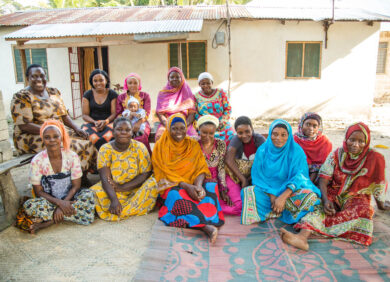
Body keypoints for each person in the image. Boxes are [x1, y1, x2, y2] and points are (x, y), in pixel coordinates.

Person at [282, 122, 390, 250]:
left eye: (361, 141)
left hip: (357, 197)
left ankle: (324, 227)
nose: (355, 144)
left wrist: (381, 205)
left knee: (364, 212)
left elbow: (379, 183)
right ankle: (302, 237)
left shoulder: (375, 158)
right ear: (346, 139)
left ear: (367, 142)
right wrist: (326, 199)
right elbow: (323, 178)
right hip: (334, 191)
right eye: (352, 140)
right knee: (318, 207)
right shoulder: (338, 154)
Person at [11, 64, 97, 177]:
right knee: (72, 146)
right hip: (32, 135)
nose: (39, 79)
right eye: (34, 76)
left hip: (58, 131)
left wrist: (76, 128)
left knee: (88, 139)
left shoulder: (53, 92)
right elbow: (25, 125)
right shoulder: (22, 97)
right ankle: (71, 178)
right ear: (28, 78)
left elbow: (64, 115)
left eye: (42, 76)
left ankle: (82, 175)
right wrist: (54, 132)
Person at [152, 113, 224, 243]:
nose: (179, 132)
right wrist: (186, 186)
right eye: (174, 128)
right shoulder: (160, 146)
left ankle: (205, 217)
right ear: (168, 129)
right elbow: (163, 173)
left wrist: (198, 186)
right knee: (177, 196)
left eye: (182, 128)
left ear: (186, 128)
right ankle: (205, 227)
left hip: (192, 182)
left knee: (211, 187)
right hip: (172, 184)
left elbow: (201, 168)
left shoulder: (192, 144)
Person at [15, 120, 95, 234]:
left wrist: (63, 204)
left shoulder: (72, 156)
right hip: (50, 201)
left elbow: (76, 186)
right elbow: (38, 191)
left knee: (89, 195)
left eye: (55, 136)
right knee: (30, 206)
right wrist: (59, 203)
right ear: (43, 139)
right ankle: (69, 214)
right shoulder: (37, 161)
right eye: (47, 137)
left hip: (70, 198)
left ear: (61, 138)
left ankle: (48, 222)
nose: (52, 140)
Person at [241, 119, 321, 227]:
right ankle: (278, 210)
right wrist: (272, 195)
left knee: (310, 197)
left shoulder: (296, 151)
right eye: (275, 134)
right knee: (247, 192)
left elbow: (300, 176)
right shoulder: (263, 150)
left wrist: (283, 196)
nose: (279, 138)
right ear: (270, 134)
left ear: (289, 136)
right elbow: (257, 176)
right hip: (267, 191)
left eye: (283, 135)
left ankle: (277, 211)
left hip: (290, 191)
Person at [90, 117, 158, 221]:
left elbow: (145, 174)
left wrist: (122, 187)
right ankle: (128, 208)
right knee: (93, 193)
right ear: (113, 132)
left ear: (132, 132)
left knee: (153, 184)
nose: (123, 132)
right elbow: (105, 178)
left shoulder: (140, 147)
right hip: (113, 190)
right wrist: (114, 199)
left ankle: (118, 211)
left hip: (136, 188)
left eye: (127, 130)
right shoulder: (105, 149)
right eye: (119, 129)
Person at [224, 116, 266, 214]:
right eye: (240, 133)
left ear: (252, 129)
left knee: (259, 198)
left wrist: (251, 178)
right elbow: (228, 160)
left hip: (255, 174)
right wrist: (243, 180)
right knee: (238, 204)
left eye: (247, 131)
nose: (244, 135)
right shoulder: (236, 140)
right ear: (236, 132)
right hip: (237, 175)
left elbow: (266, 160)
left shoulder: (259, 139)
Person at [197, 115, 238, 215]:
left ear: (215, 132)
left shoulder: (220, 144)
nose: (207, 136)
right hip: (200, 179)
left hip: (220, 177)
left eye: (211, 133)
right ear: (199, 131)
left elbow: (221, 167)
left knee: (236, 204)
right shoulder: (194, 144)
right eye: (204, 132)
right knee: (206, 206)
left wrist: (222, 188)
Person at [155, 67, 198, 141]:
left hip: (185, 123)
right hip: (167, 123)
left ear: (182, 79)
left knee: (193, 139)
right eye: (172, 77)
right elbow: (160, 113)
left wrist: (184, 125)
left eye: (177, 77)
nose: (175, 79)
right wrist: (168, 125)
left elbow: (192, 113)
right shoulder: (162, 93)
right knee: (160, 137)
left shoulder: (187, 93)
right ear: (168, 79)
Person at [81, 69, 118, 150]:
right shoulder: (87, 94)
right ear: (92, 82)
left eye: (101, 80)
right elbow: (84, 115)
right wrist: (95, 122)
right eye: (95, 81)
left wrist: (105, 122)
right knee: (86, 136)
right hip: (91, 123)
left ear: (106, 80)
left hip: (109, 122)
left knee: (112, 136)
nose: (98, 83)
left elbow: (114, 113)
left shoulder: (112, 94)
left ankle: (109, 158)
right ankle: (93, 160)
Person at [116, 73, 152, 154]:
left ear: (139, 84)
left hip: (142, 122)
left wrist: (138, 123)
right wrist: (127, 122)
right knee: (123, 136)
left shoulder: (145, 96)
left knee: (141, 137)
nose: (133, 85)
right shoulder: (121, 97)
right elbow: (118, 114)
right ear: (126, 84)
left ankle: (144, 159)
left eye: (135, 83)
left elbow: (147, 113)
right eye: (130, 83)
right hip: (125, 122)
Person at [195, 72, 235, 144]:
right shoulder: (196, 96)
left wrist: (222, 121)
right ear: (199, 84)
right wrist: (205, 123)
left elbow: (228, 108)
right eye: (203, 84)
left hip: (221, 123)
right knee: (204, 138)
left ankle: (227, 154)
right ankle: (212, 155)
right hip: (205, 124)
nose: (206, 85)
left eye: (208, 83)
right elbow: (196, 113)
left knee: (232, 135)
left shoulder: (221, 93)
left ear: (212, 82)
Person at [294, 112, 332, 184]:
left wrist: (312, 177)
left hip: (318, 175)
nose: (311, 128)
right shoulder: (295, 140)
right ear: (302, 125)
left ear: (318, 128)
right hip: (299, 171)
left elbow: (324, 164)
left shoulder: (324, 141)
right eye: (308, 124)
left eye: (314, 126)